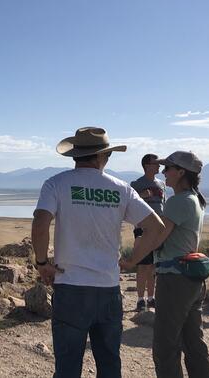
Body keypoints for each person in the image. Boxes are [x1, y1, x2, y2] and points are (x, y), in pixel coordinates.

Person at [32, 127, 165, 378]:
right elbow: (156, 227)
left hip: (70, 287)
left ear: (75, 155)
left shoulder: (56, 184)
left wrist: (42, 263)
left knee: (68, 367)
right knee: (109, 364)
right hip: (107, 289)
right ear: (103, 156)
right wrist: (133, 261)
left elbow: (40, 223)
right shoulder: (121, 188)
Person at [123, 151, 209, 378]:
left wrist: (131, 261)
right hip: (190, 278)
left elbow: (157, 238)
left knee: (166, 345)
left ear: (181, 172)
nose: (164, 173)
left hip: (174, 280)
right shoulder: (195, 199)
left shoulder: (178, 201)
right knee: (194, 342)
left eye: (168, 168)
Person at [130, 154, 166, 311]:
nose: (159, 166)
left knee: (153, 266)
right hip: (143, 229)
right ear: (146, 165)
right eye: (155, 163)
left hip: (158, 230)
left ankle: (151, 298)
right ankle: (140, 300)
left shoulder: (162, 184)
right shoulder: (136, 184)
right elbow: (129, 203)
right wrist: (142, 196)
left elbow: (163, 205)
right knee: (142, 265)